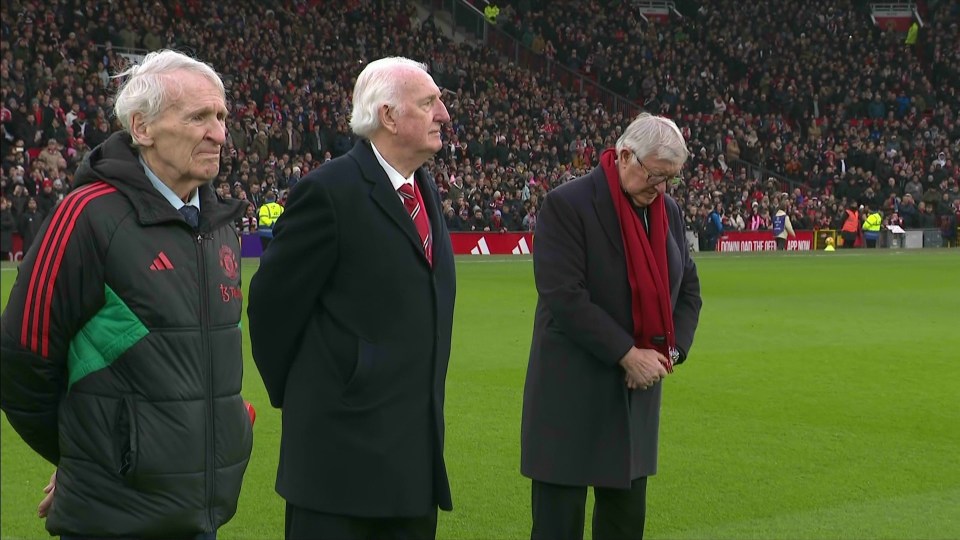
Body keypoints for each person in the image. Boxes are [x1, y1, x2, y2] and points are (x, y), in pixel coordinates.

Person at [0, 49, 252, 539]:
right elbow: (19, 362)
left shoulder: (220, 226)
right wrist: (89, 459)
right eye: (199, 116)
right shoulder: (88, 216)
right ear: (142, 128)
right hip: (111, 523)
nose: (220, 133)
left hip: (203, 517)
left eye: (221, 116)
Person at [247, 56, 456, 540]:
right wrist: (308, 394)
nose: (443, 113)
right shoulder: (329, 191)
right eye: (429, 103)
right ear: (388, 116)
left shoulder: (424, 189)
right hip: (339, 467)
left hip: (413, 464)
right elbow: (272, 307)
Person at [521, 112, 702, 540]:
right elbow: (563, 295)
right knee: (557, 525)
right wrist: (627, 353)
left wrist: (668, 353)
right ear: (625, 156)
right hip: (572, 391)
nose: (661, 190)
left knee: (624, 525)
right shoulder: (568, 204)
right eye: (656, 177)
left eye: (669, 181)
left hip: (634, 396)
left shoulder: (667, 211)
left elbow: (689, 288)